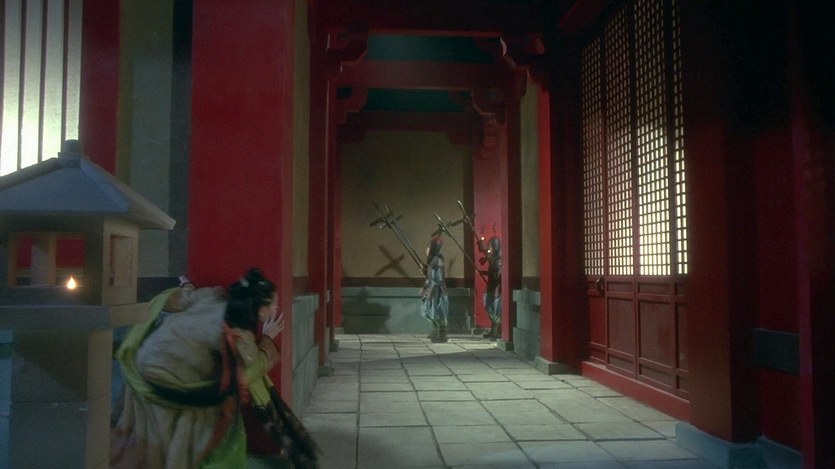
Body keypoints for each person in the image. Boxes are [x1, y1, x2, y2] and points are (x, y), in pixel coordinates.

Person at [110, 267, 319, 468]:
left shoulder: (213, 295)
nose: (276, 309)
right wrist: (268, 340)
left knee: (142, 439)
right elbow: (247, 375)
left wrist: (187, 288)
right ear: (261, 310)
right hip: (170, 384)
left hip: (144, 360)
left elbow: (175, 300)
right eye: (274, 305)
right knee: (191, 435)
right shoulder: (240, 335)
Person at [420, 236, 449, 343]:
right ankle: (436, 330)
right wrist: (426, 270)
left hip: (437, 290)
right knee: (427, 311)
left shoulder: (437, 260)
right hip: (433, 289)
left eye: (428, 247)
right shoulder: (433, 260)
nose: (426, 250)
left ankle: (441, 334)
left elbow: (436, 278)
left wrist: (428, 289)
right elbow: (430, 275)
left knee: (437, 311)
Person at [479, 235, 502, 340]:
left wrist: (496, 291)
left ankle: (495, 332)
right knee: (490, 309)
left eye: (490, 246)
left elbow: (497, 277)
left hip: (495, 289)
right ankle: (493, 331)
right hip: (491, 288)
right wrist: (483, 272)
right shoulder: (493, 259)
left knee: (494, 311)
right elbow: (492, 274)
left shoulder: (497, 261)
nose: (489, 248)